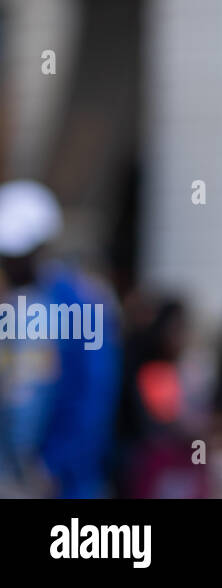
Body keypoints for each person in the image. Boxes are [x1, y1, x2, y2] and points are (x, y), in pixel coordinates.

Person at [0, 180, 121, 498]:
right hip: (16, 475)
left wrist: (56, 464)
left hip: (65, 481)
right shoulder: (15, 304)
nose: (9, 265)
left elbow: (93, 395)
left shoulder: (79, 303)